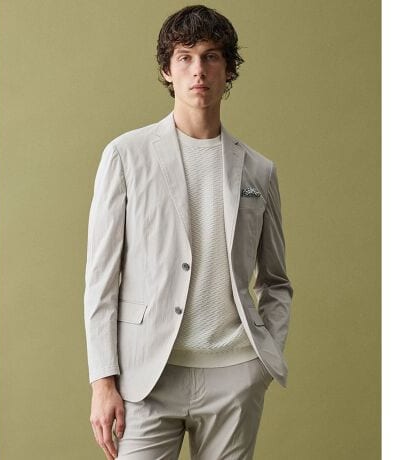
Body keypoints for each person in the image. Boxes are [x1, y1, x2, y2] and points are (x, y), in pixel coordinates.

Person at [84, 4, 293, 459]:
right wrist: (103, 381)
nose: (198, 70)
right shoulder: (126, 156)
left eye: (211, 56)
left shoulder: (259, 170)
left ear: (228, 69)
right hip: (147, 376)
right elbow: (102, 279)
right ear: (168, 70)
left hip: (234, 375)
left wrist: (263, 360)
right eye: (185, 57)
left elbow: (276, 281)